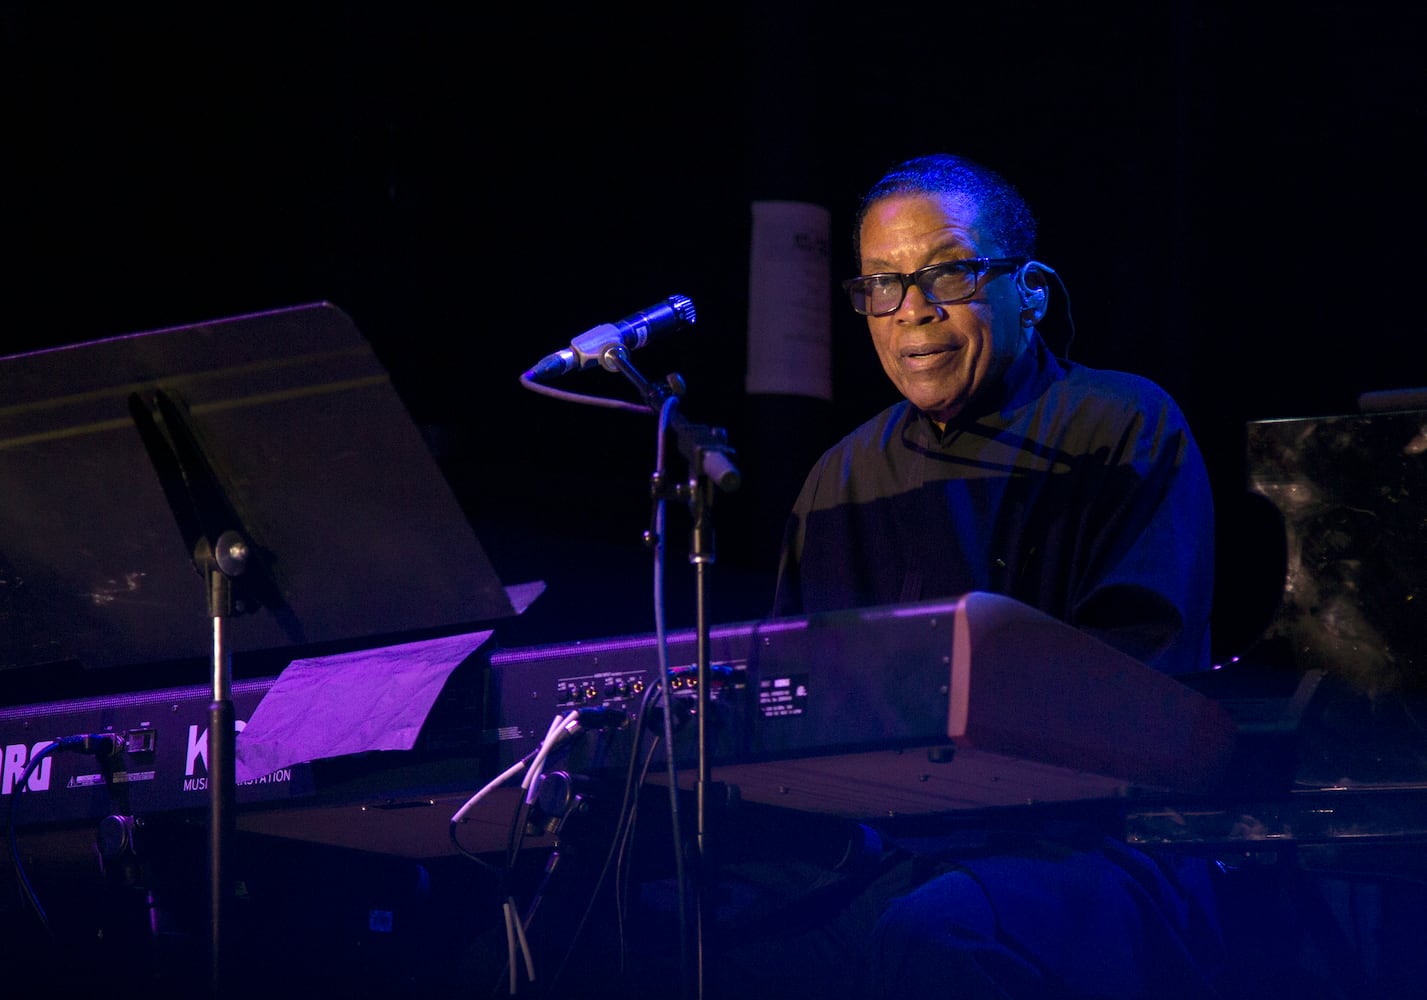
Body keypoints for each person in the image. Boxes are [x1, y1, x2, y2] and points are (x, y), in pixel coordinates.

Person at [630, 153, 1362, 1000]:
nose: (913, 309)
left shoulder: (1119, 424)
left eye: (948, 272)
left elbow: (1138, 692)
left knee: (937, 930)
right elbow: (800, 709)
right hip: (883, 848)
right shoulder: (838, 478)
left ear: (1032, 293)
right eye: (882, 283)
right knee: (655, 925)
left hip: (1095, 843)